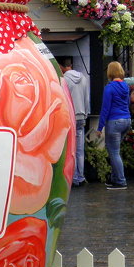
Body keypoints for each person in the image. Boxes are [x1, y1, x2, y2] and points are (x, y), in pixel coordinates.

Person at [96, 61, 131, 190]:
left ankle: (121, 181)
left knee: (114, 152)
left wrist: (100, 128)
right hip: (126, 120)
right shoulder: (126, 86)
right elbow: (128, 103)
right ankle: (114, 178)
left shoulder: (109, 88)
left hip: (114, 122)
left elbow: (105, 108)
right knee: (116, 151)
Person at [59, 57, 90, 186]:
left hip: (71, 116)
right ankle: (80, 176)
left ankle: (74, 178)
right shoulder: (83, 78)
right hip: (82, 115)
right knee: (80, 149)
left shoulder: (64, 80)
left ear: (61, 66)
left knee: (71, 149)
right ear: (70, 64)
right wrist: (86, 112)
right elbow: (86, 97)